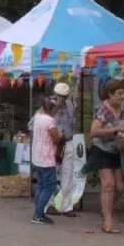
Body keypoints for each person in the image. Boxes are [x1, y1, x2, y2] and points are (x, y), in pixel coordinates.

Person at [88, 79, 124, 234]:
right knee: (109, 185)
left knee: (119, 187)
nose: (122, 97)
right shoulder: (102, 110)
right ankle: (108, 221)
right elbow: (94, 131)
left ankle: (106, 210)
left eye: (123, 93)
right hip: (101, 150)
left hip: (116, 150)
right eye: (119, 94)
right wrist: (114, 130)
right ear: (110, 95)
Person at [30, 97, 62, 225]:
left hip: (37, 156)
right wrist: (60, 134)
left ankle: (39, 212)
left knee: (41, 185)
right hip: (47, 158)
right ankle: (38, 214)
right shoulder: (50, 120)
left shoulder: (37, 117)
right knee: (49, 186)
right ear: (52, 109)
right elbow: (56, 138)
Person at [51, 83, 77, 217]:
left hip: (68, 140)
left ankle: (66, 206)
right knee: (51, 174)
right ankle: (50, 203)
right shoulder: (49, 106)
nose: (62, 99)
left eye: (64, 96)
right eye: (59, 96)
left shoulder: (70, 105)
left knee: (68, 174)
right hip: (54, 143)